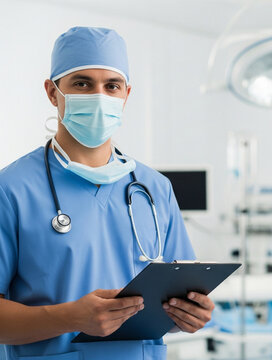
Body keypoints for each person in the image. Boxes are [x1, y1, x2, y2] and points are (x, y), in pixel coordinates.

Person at [0, 27, 214, 359]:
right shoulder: (12, 189)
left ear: (126, 94)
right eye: (82, 84)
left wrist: (188, 315)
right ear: (52, 92)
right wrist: (68, 317)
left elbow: (174, 296)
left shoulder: (155, 188)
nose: (99, 96)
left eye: (111, 85)